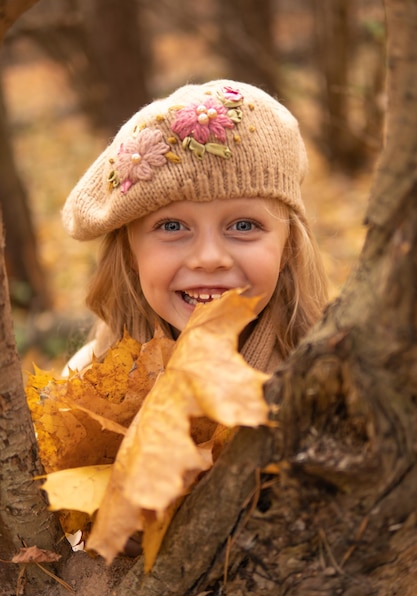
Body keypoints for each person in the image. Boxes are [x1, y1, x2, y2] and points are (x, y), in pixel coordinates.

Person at [62, 79, 328, 375]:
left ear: (288, 247)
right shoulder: (88, 381)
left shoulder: (325, 383)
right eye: (173, 226)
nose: (209, 258)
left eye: (243, 225)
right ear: (129, 254)